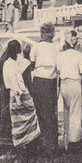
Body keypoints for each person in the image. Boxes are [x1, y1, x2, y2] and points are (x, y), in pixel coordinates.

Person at [2, 40, 41, 160]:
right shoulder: (25, 63)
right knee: (31, 123)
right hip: (24, 94)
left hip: (13, 97)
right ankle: (31, 152)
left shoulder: (6, 64)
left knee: (17, 124)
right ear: (20, 50)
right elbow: (29, 82)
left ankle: (20, 152)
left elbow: (7, 83)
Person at [30, 23, 60, 154]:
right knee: (50, 112)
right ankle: (50, 143)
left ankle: (46, 142)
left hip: (40, 80)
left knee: (41, 112)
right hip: (51, 81)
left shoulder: (36, 47)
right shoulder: (56, 48)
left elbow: (32, 64)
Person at [56, 31, 82, 152]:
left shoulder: (60, 55)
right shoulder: (77, 54)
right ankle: (75, 143)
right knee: (76, 114)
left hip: (64, 85)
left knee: (67, 113)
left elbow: (58, 70)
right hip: (75, 84)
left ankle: (67, 141)